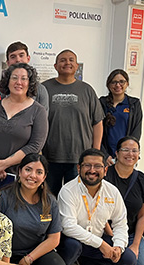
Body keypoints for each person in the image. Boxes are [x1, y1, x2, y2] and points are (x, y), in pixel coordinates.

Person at [56, 148, 136, 265]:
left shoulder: (112, 191)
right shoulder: (68, 191)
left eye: (98, 166)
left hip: (95, 240)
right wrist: (102, 245)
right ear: (79, 168)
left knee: (129, 260)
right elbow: (68, 227)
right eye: (87, 165)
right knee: (72, 245)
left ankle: (86, 262)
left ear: (105, 170)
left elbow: (120, 223)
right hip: (72, 241)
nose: (92, 170)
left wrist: (118, 245)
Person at [0, 154, 66, 265]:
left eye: (39, 172)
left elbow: (54, 239)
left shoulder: (50, 201)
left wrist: (27, 260)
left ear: (45, 176)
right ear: (19, 171)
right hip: (7, 257)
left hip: (33, 256)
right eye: (28, 170)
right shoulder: (4, 197)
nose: (32, 176)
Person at [42, 49, 105, 196]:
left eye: (71, 60)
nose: (67, 63)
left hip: (80, 157)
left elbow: (97, 122)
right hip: (50, 156)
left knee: (77, 198)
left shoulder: (87, 90)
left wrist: (95, 152)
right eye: (63, 60)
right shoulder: (44, 89)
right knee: (49, 198)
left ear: (77, 66)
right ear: (55, 66)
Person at [0, 63, 47, 182]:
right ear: (7, 81)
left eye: (24, 79)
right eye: (14, 78)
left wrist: (4, 164)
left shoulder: (38, 111)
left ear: (30, 83)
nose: (18, 82)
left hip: (21, 176)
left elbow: (35, 145)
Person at [103, 136, 144, 265]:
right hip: (107, 233)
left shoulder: (142, 179)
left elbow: (143, 215)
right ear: (116, 153)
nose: (130, 154)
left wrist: (136, 244)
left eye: (134, 151)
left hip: (129, 234)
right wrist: (114, 240)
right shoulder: (105, 175)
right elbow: (96, 211)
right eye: (125, 150)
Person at [99, 69, 143, 162]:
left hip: (126, 156)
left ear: (127, 84)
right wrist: (104, 155)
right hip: (105, 156)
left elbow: (136, 132)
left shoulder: (134, 104)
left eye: (121, 82)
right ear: (108, 85)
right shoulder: (101, 103)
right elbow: (95, 131)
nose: (118, 85)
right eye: (114, 82)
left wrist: (127, 153)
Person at [2, 41, 49, 112]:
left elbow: (43, 118)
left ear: (28, 58)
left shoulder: (40, 90)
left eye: (21, 55)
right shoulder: (0, 89)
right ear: (8, 63)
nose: (18, 60)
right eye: (13, 57)